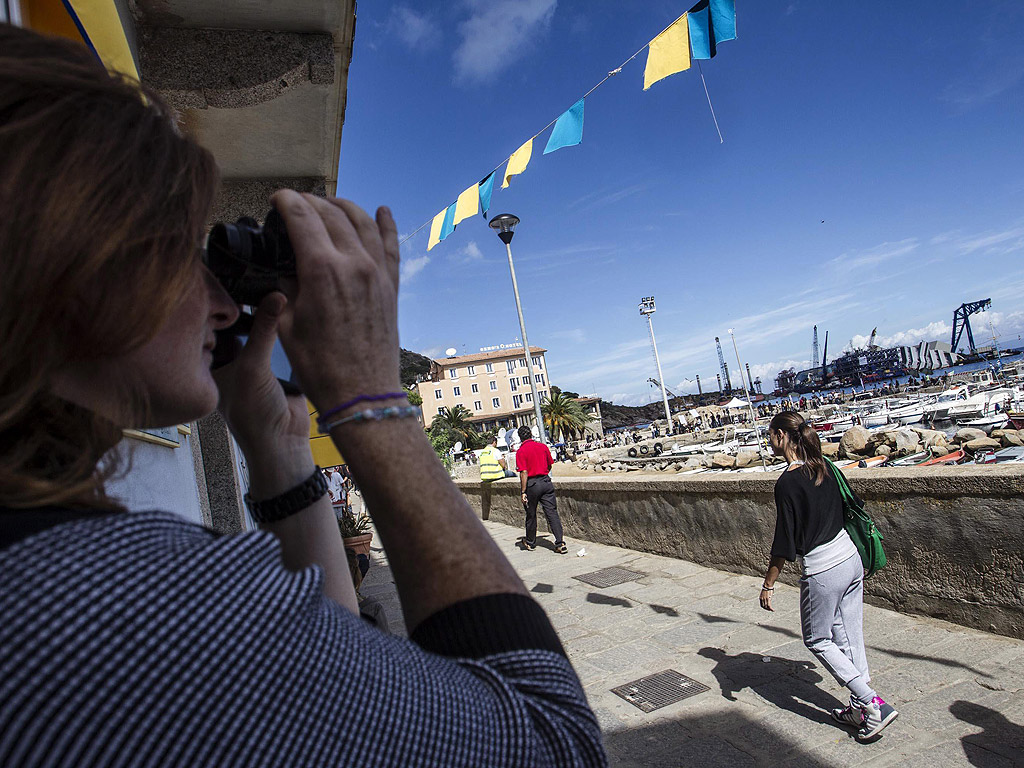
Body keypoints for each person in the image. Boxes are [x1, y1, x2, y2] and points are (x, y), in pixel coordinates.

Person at [0, 26, 604, 768]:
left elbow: (326, 653)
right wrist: (373, 403)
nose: (223, 306)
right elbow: (553, 743)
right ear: (60, 262)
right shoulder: (108, 611)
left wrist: (281, 453)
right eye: (179, 251)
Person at [759, 412, 898, 742]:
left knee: (818, 639)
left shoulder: (787, 483)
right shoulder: (825, 466)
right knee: (850, 634)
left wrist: (769, 583)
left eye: (770, 434)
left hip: (823, 570)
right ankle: (860, 706)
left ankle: (872, 703)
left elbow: (785, 541)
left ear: (782, 436)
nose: (768, 441)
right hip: (849, 558)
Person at [515, 426, 567, 554]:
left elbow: (524, 473)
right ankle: (560, 543)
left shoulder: (521, 451)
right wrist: (543, 475)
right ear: (531, 435)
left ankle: (530, 542)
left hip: (532, 485)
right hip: (545, 482)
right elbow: (549, 464)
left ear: (520, 438)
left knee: (531, 514)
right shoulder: (542, 447)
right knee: (552, 513)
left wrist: (523, 492)